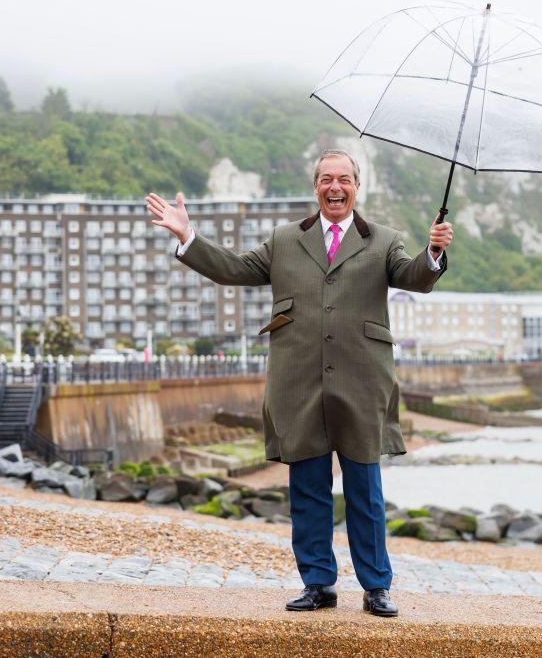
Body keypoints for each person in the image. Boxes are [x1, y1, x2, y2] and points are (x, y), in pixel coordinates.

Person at [144, 149, 452, 617]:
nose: (335, 187)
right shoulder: (285, 240)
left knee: (364, 492)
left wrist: (433, 253)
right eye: (327, 179)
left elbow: (414, 277)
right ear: (315, 187)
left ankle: (376, 587)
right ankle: (318, 583)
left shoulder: (385, 240)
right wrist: (187, 235)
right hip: (298, 381)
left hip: (362, 382)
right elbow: (234, 270)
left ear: (356, 187)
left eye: (344, 179)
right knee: (307, 489)